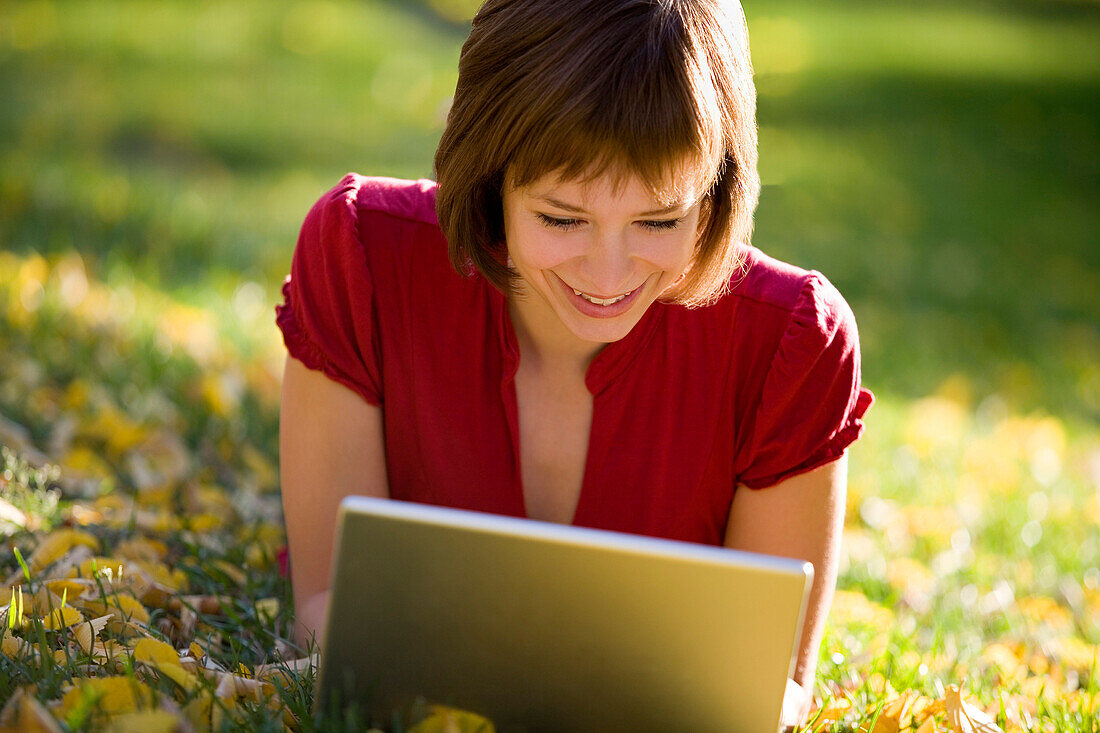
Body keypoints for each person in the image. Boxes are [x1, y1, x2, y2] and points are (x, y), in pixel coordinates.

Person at [276, 0, 873, 727]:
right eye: (562, 217)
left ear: (716, 194)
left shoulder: (791, 345)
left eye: (659, 221)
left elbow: (770, 693)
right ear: (491, 177)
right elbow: (325, 613)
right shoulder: (362, 257)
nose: (607, 272)